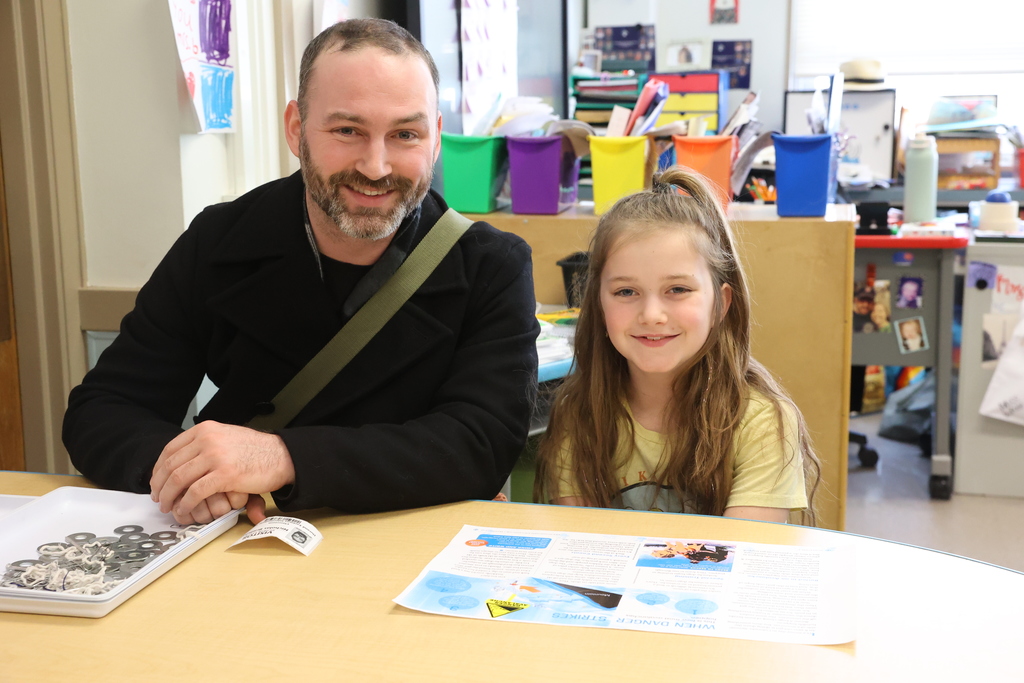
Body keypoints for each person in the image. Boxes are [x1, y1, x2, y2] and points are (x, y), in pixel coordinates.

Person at [62, 19, 539, 526]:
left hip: (409, 550)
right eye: (347, 130)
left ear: (437, 138)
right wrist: (190, 477)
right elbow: (104, 409)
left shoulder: (492, 264)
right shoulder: (220, 239)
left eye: (405, 134)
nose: (376, 166)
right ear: (296, 128)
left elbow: (480, 445)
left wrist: (281, 458)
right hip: (242, 544)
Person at [533, 167, 820, 524]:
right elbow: (581, 554)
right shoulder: (578, 416)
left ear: (721, 303)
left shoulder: (762, 424)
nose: (652, 314)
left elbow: (735, 564)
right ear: (599, 305)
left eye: (678, 290)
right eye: (626, 292)